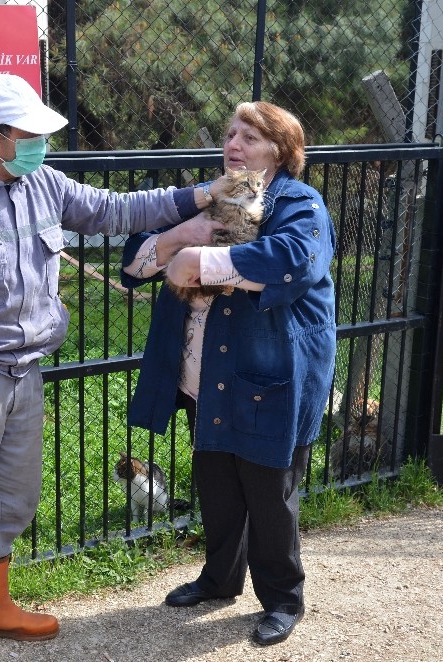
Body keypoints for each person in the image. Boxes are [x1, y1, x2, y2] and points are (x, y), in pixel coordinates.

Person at [0, 74, 216, 661]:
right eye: (29, 134)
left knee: (12, 498)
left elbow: (115, 210)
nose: (40, 145)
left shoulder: (43, 183)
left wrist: (203, 194)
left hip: (23, 373)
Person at [120, 101, 336, 646]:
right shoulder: (209, 196)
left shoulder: (300, 204)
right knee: (216, 484)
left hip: (268, 377)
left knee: (268, 494)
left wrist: (201, 261)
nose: (234, 144)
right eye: (231, 134)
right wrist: (184, 233)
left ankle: (282, 598)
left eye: (250, 137)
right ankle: (220, 578)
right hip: (205, 375)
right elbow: (134, 264)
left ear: (280, 152)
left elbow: (293, 260)